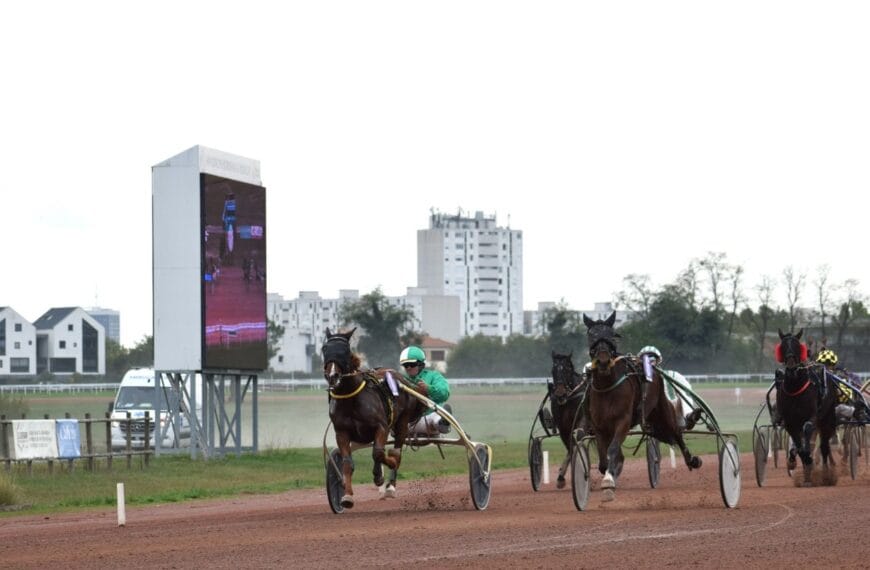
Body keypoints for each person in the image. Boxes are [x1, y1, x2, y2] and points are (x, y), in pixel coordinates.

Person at [637, 346, 703, 430]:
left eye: (652, 360)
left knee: (682, 391)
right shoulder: (637, 379)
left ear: (657, 361)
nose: (649, 364)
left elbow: (687, 391)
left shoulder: (672, 375)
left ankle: (689, 416)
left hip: (675, 412)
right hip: (652, 413)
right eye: (646, 360)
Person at [399, 345, 452, 435]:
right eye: (405, 365)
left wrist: (428, 389)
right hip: (406, 422)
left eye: (411, 364)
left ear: (420, 364)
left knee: (436, 415)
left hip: (428, 419)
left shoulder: (433, 376)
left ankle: (443, 422)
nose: (408, 368)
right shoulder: (400, 379)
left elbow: (444, 394)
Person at [816, 349, 870, 423]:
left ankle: (860, 413)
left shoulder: (839, 377)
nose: (825, 368)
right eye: (823, 364)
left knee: (843, 408)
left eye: (828, 364)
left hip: (841, 407)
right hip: (823, 412)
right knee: (841, 408)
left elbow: (846, 396)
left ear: (833, 365)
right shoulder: (816, 379)